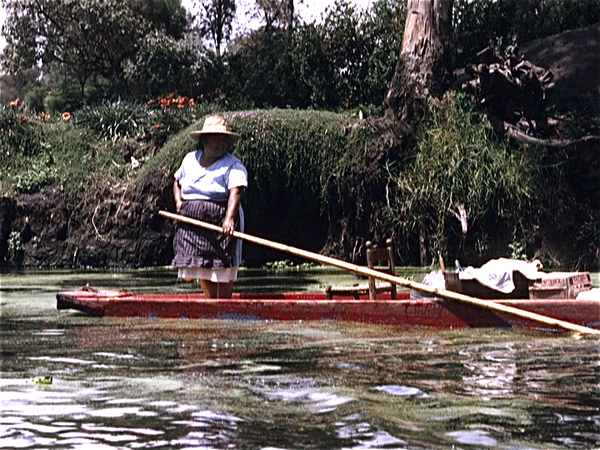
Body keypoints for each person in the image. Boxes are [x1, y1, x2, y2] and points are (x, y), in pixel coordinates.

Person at [171, 115, 248, 298]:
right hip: (192, 223)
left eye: (224, 140)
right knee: (202, 266)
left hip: (220, 221)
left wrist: (229, 218)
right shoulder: (190, 160)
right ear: (204, 140)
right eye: (216, 139)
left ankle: (223, 304)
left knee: (222, 267)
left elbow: (235, 193)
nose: (221, 144)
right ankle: (211, 303)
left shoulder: (233, 165)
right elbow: (177, 182)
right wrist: (179, 202)